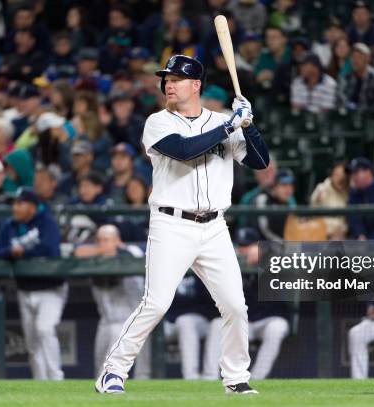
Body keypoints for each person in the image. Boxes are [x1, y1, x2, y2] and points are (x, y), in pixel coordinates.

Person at [95, 54, 269, 395]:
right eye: (166, 79)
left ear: (196, 85)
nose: (168, 84)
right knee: (156, 303)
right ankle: (113, 371)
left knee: (235, 304)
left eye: (176, 78)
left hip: (215, 226)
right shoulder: (158, 122)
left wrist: (251, 124)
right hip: (171, 225)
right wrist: (232, 125)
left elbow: (261, 162)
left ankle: (235, 377)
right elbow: (186, 151)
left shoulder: (223, 121)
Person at [0, 188, 66, 380]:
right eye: (14, 203)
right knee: (32, 343)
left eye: (20, 203)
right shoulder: (9, 225)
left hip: (50, 288)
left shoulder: (46, 221)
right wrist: (11, 252)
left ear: (32, 207)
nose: (15, 207)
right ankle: (41, 383)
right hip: (25, 289)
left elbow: (50, 250)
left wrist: (22, 252)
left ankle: (56, 379)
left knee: (45, 329)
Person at [206, 228, 290, 379]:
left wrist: (263, 254)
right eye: (241, 246)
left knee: (278, 327)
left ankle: (258, 378)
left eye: (248, 246)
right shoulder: (231, 262)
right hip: (242, 322)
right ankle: (209, 378)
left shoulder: (272, 258)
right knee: (216, 325)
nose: (244, 250)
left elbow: (282, 249)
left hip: (267, 319)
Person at [74, 224, 147, 377]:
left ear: (118, 240)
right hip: (106, 321)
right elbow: (78, 252)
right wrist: (101, 250)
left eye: (106, 240)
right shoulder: (97, 257)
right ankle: (102, 392)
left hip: (134, 319)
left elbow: (121, 255)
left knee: (143, 372)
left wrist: (103, 252)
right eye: (99, 240)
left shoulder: (131, 252)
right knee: (100, 365)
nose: (102, 243)